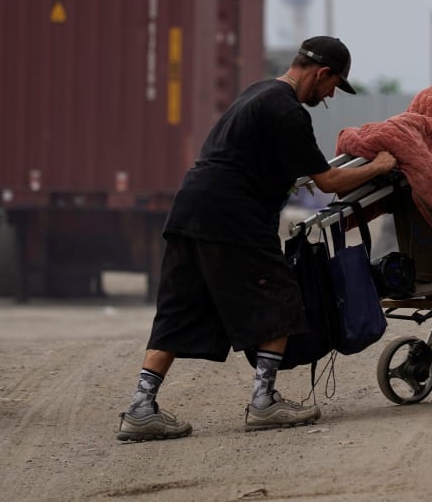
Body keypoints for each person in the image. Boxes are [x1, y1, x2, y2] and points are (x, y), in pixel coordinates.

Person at [116, 36, 397, 442]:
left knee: (180, 307)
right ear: (321, 73)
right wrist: (380, 166)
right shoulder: (288, 111)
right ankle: (264, 401)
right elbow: (329, 181)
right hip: (232, 215)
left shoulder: (257, 93)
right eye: (334, 85)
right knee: (282, 292)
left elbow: (275, 165)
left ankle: (141, 407)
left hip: (191, 207)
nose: (331, 94)